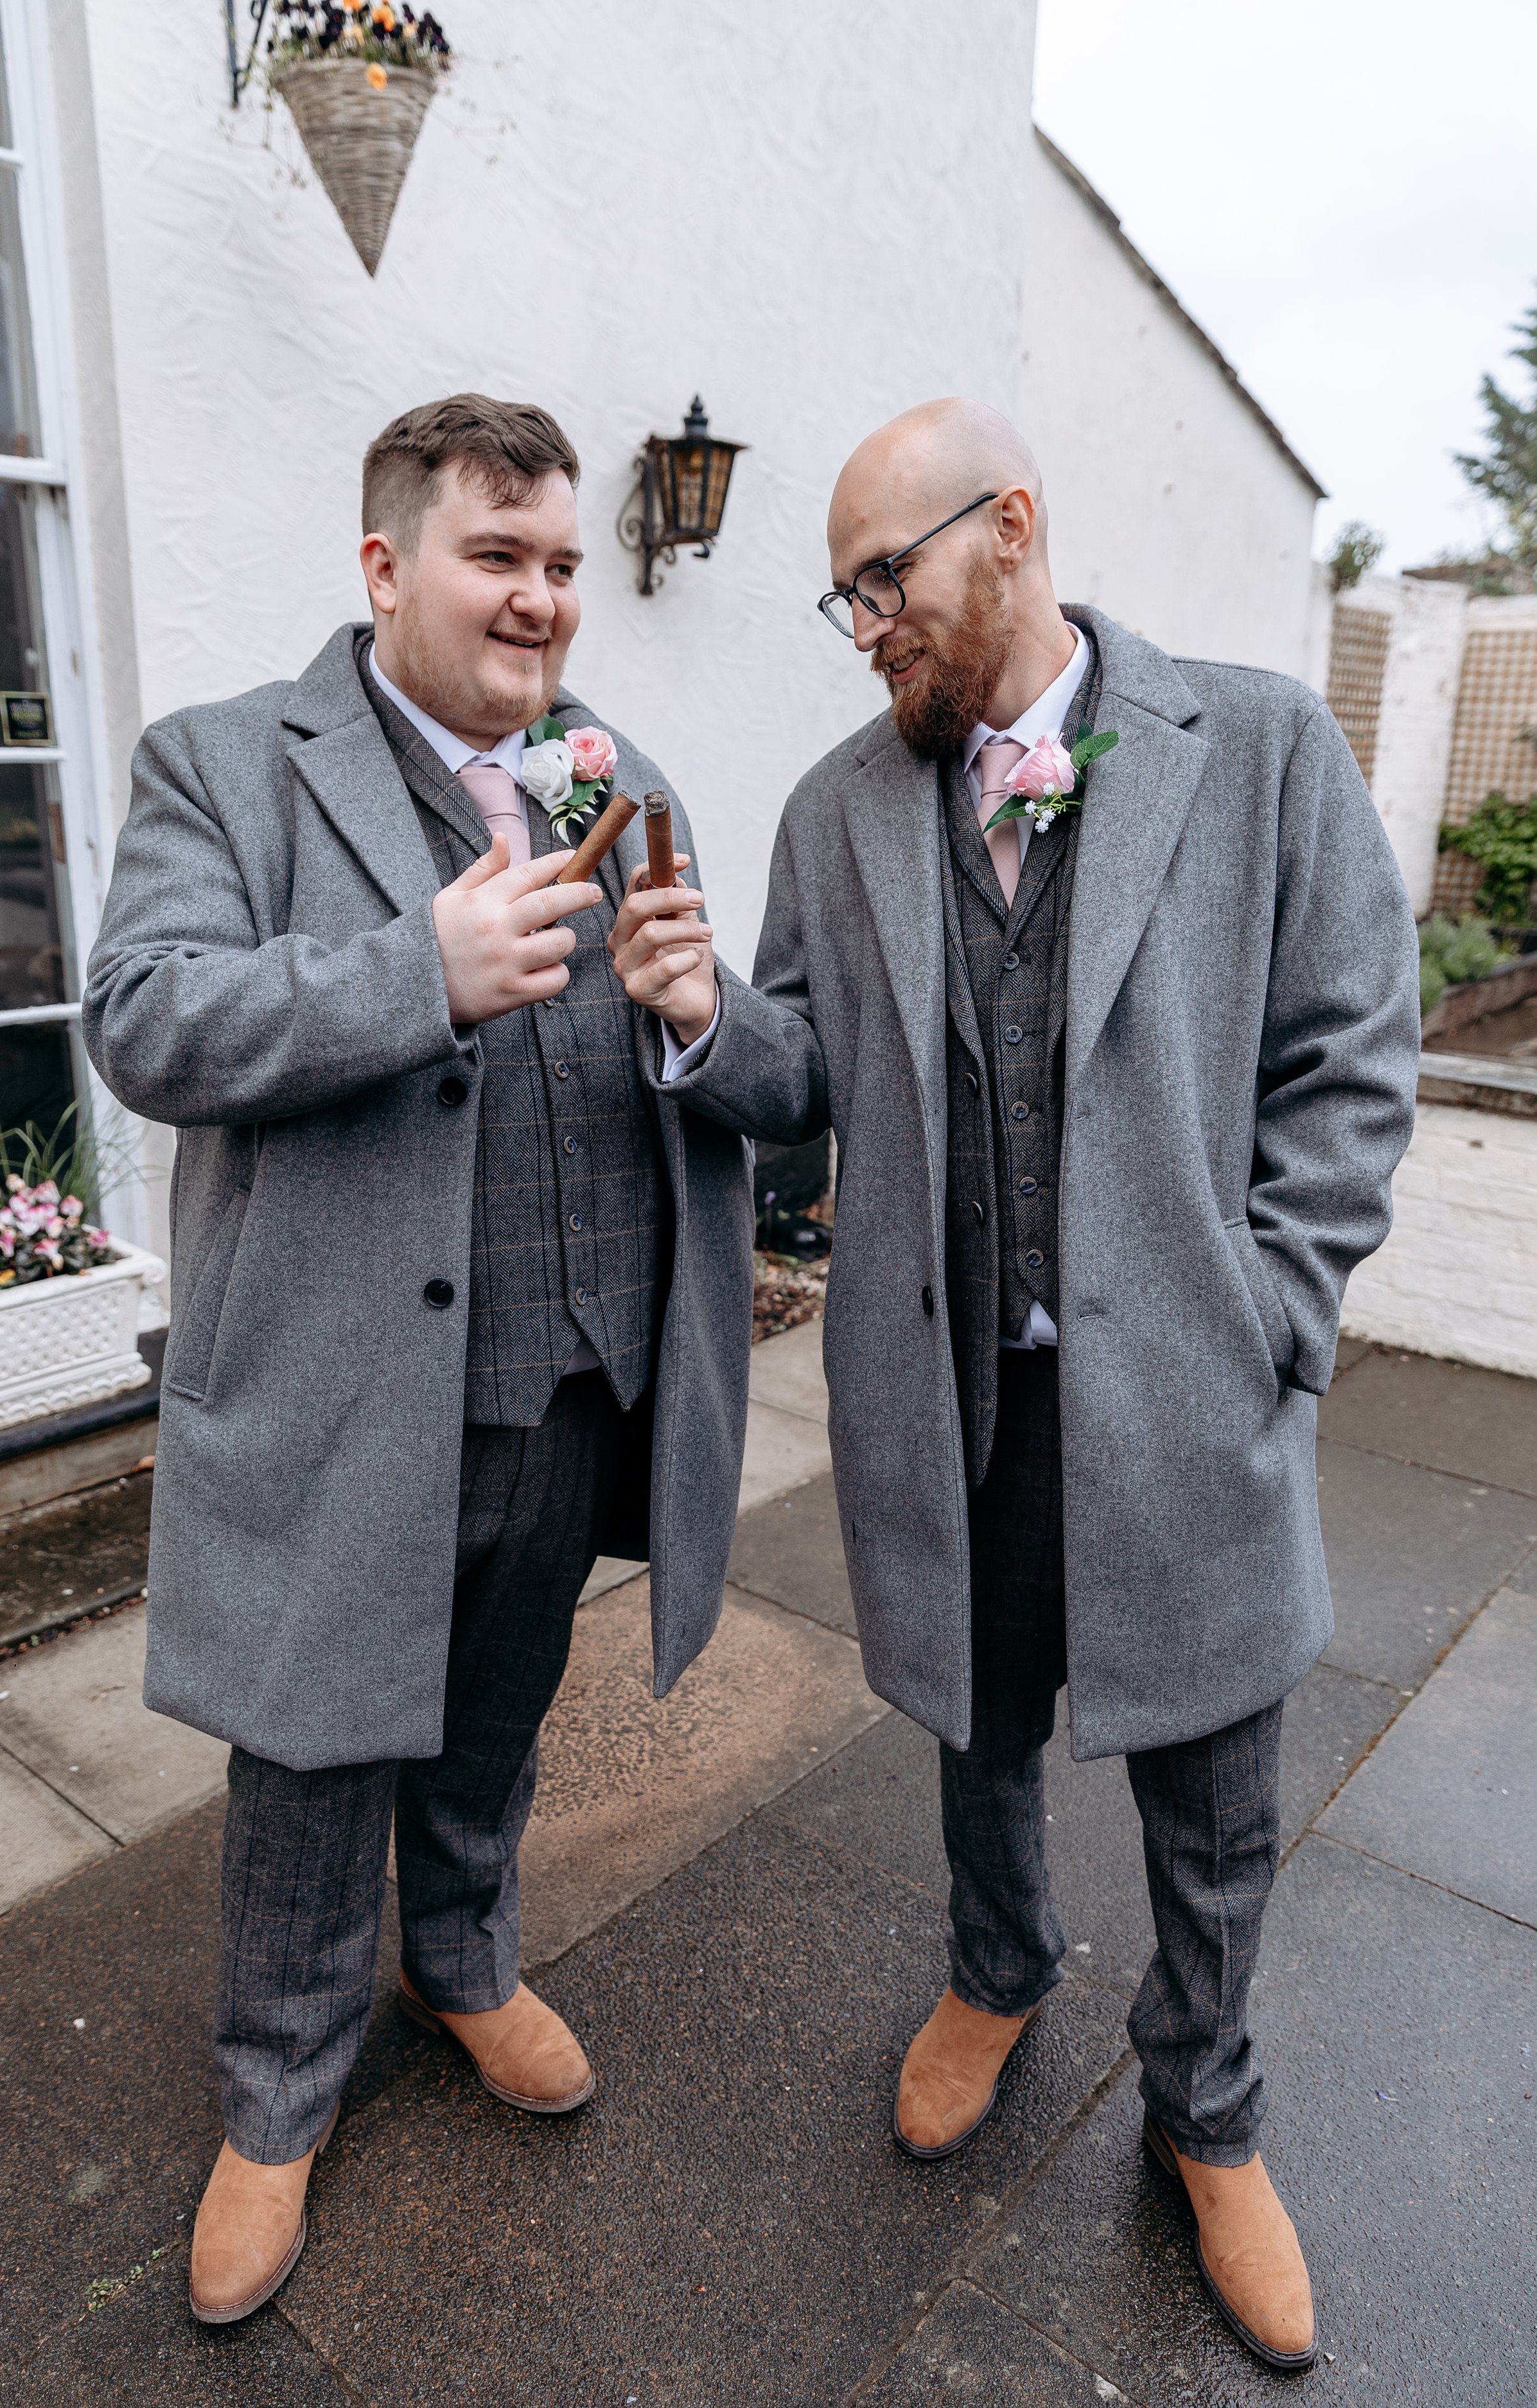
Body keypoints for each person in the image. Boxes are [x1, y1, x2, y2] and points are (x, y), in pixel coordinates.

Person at [608, 397, 1419, 2375]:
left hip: (1188, 1395)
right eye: (843, 596)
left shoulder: (1258, 749)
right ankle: (994, 1968)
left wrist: (1273, 1315)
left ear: (1011, 528)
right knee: (974, 1731)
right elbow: (803, 1077)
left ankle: (1205, 2109)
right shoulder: (835, 809)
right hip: (944, 1394)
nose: (864, 622)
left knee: (1213, 1789)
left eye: (883, 578)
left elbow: (1348, 1055)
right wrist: (707, 1020)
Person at [83, 394, 754, 2324]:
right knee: (310, 1753)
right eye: (498, 556)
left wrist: (691, 1020)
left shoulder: (622, 775)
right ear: (387, 566)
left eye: (561, 563)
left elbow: (681, 1023)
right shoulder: (226, 763)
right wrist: (415, 974)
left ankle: (460, 1960)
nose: (541, 598)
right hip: (346, 1388)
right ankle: (275, 2096)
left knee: (497, 1710)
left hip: (570, 1369)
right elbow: (144, 1019)